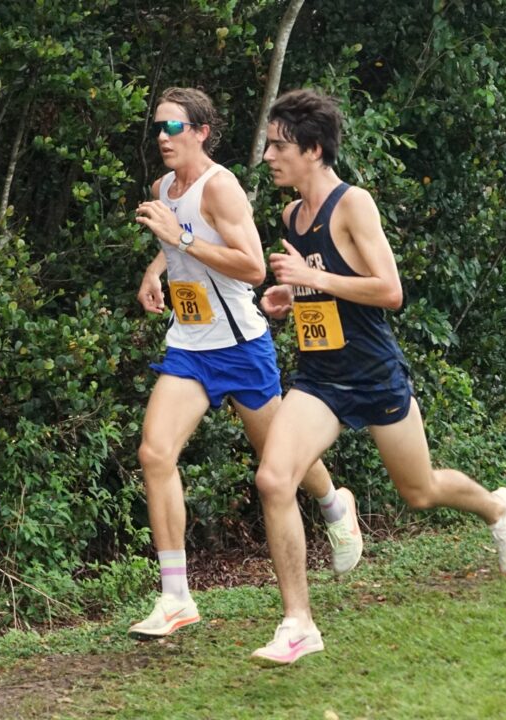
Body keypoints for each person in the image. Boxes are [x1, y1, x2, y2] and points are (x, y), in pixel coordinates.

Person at [251, 89, 506, 665]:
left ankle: (499, 508)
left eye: (279, 146)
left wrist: (313, 278)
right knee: (275, 479)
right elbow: (317, 287)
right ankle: (299, 622)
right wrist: (290, 293)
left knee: (420, 490)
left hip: (374, 375)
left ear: (313, 149)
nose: (269, 156)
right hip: (320, 377)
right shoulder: (290, 216)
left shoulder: (353, 206)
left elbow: (389, 292)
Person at [129, 87, 363, 640]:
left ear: (201, 132)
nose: (161, 138)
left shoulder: (223, 186)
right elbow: (182, 238)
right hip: (189, 343)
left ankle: (334, 502)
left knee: (282, 457)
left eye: (172, 128)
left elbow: (253, 268)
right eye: (157, 127)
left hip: (239, 346)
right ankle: (176, 596)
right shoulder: (165, 187)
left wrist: (177, 235)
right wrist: (157, 267)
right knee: (154, 452)